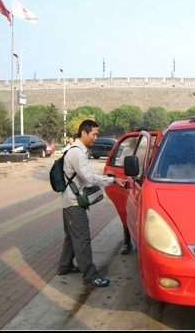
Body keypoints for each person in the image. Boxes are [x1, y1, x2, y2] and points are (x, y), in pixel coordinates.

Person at [57, 119, 127, 287]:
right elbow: (88, 178)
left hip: (69, 201)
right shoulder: (77, 153)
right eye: (94, 134)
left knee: (71, 237)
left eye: (97, 134)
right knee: (82, 239)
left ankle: (64, 266)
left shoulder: (78, 151)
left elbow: (84, 173)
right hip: (74, 203)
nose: (96, 137)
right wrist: (111, 180)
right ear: (84, 133)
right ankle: (90, 276)